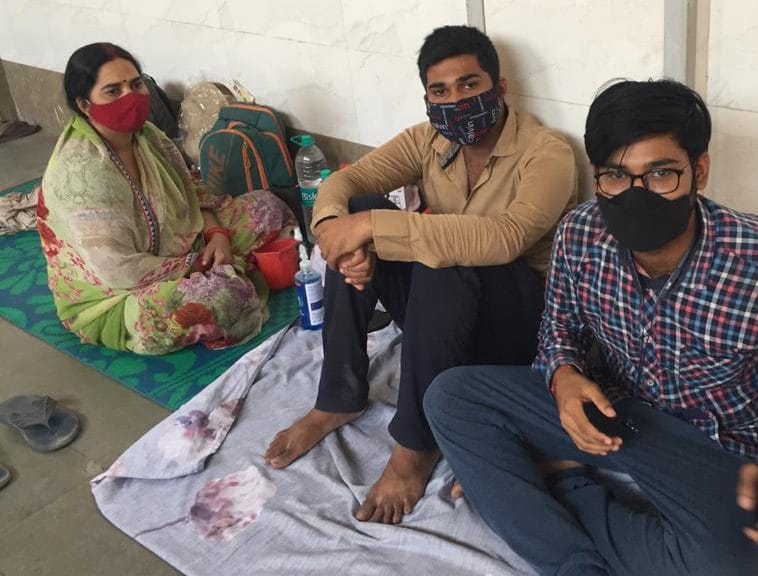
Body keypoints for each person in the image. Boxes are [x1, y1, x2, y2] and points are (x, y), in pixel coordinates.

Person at [424, 79, 758, 575]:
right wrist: (563, 378)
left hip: (709, 448)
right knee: (452, 396)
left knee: (730, 561)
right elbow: (560, 327)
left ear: (700, 170)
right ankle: (574, 560)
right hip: (613, 413)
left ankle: (567, 487)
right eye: (616, 175)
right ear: (597, 174)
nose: (636, 194)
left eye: (662, 173)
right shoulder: (581, 234)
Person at [264, 25, 579, 525]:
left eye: (469, 84)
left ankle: (415, 445)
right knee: (365, 212)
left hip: (517, 324)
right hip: (444, 314)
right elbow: (347, 181)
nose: (455, 100)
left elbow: (505, 238)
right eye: (440, 91)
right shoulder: (429, 140)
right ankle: (340, 396)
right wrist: (336, 232)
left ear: (499, 88)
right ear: (428, 97)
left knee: (433, 251)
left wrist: (371, 226)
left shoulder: (548, 152)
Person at [39, 43, 295, 355]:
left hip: (186, 249)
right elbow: (117, 269)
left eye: (135, 85)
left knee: (268, 207)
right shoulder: (82, 173)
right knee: (222, 298)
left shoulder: (148, 137)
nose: (129, 97)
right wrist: (199, 264)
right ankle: (230, 274)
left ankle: (230, 269)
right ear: (84, 104)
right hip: (119, 294)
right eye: (112, 91)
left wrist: (217, 235)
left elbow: (192, 190)